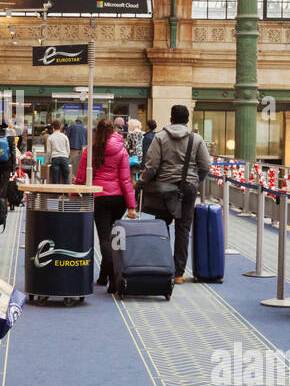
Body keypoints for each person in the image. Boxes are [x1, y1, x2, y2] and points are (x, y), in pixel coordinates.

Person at [139, 104, 211, 284]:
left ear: (170, 119)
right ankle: (179, 273)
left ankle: (163, 267)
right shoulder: (196, 139)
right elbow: (206, 166)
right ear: (187, 120)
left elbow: (152, 166)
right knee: (183, 228)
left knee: (162, 226)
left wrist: (141, 182)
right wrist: (195, 180)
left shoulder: (160, 137)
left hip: (163, 188)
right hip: (188, 188)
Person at [76, 118, 137, 289]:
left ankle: (111, 276)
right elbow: (126, 180)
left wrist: (73, 197)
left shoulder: (91, 150)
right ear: (113, 130)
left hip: (100, 197)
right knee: (114, 238)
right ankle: (105, 277)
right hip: (119, 200)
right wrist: (131, 206)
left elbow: (81, 177)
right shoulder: (122, 150)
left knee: (104, 238)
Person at [46, 119, 71, 183]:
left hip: (55, 158)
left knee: (55, 179)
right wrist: (67, 157)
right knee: (66, 178)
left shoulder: (50, 137)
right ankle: (66, 192)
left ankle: (56, 192)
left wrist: (48, 161)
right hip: (64, 158)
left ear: (53, 128)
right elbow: (68, 149)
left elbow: (49, 151)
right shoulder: (65, 137)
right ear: (60, 127)